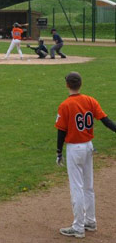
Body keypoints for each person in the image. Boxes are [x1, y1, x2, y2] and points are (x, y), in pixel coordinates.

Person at [55, 72, 116, 238]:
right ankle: (90, 221)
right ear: (80, 84)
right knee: (88, 187)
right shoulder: (90, 100)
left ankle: (78, 227)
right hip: (88, 147)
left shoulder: (65, 105)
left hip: (74, 149)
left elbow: (61, 131)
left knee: (77, 188)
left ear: (67, 85)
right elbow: (106, 120)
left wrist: (59, 151)